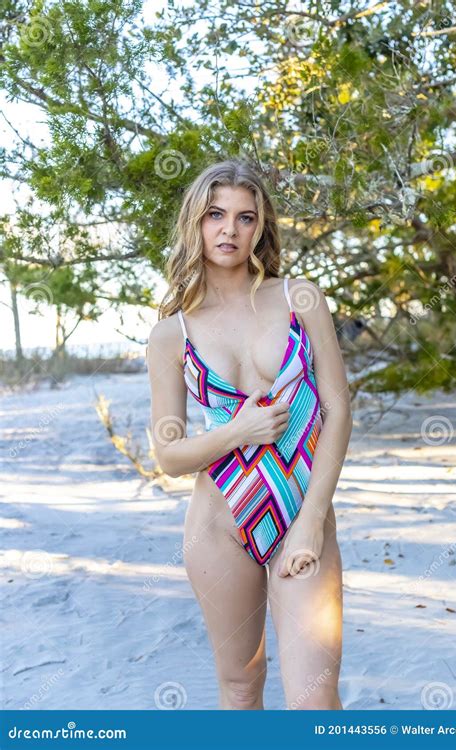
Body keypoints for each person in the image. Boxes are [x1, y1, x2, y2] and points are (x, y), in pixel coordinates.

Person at [147, 159, 352, 710]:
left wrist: (311, 521)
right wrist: (238, 431)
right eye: (215, 215)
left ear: (261, 226)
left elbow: (337, 408)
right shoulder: (172, 334)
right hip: (218, 528)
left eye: (244, 217)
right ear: (196, 223)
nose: (229, 231)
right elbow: (169, 454)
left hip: (299, 517)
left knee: (313, 696)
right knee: (240, 687)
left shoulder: (300, 299)